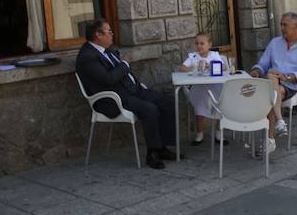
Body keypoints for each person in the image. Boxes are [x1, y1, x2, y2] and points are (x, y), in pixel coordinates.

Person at [76, 19, 176, 169]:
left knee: (167, 101)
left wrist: (133, 80)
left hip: (132, 90)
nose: (112, 34)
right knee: (149, 109)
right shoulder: (87, 57)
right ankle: (152, 153)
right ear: (98, 35)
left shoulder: (106, 49)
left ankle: (162, 147)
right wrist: (125, 64)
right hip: (114, 98)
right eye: (109, 32)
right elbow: (108, 79)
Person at [250, 12, 297, 156]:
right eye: (281, 24)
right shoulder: (275, 43)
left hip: (292, 85)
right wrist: (256, 69)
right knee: (272, 82)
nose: (281, 28)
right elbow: (263, 63)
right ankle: (279, 123)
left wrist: (287, 76)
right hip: (272, 83)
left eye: (285, 25)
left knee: (271, 87)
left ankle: (270, 138)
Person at [176, 33, 227, 146]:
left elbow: (224, 67)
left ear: (209, 44)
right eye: (197, 43)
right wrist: (192, 70)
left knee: (220, 105)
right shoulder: (193, 57)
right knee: (199, 105)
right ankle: (200, 134)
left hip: (214, 87)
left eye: (202, 43)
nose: (199, 46)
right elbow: (181, 67)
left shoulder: (214, 55)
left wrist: (210, 65)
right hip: (199, 88)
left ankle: (219, 132)